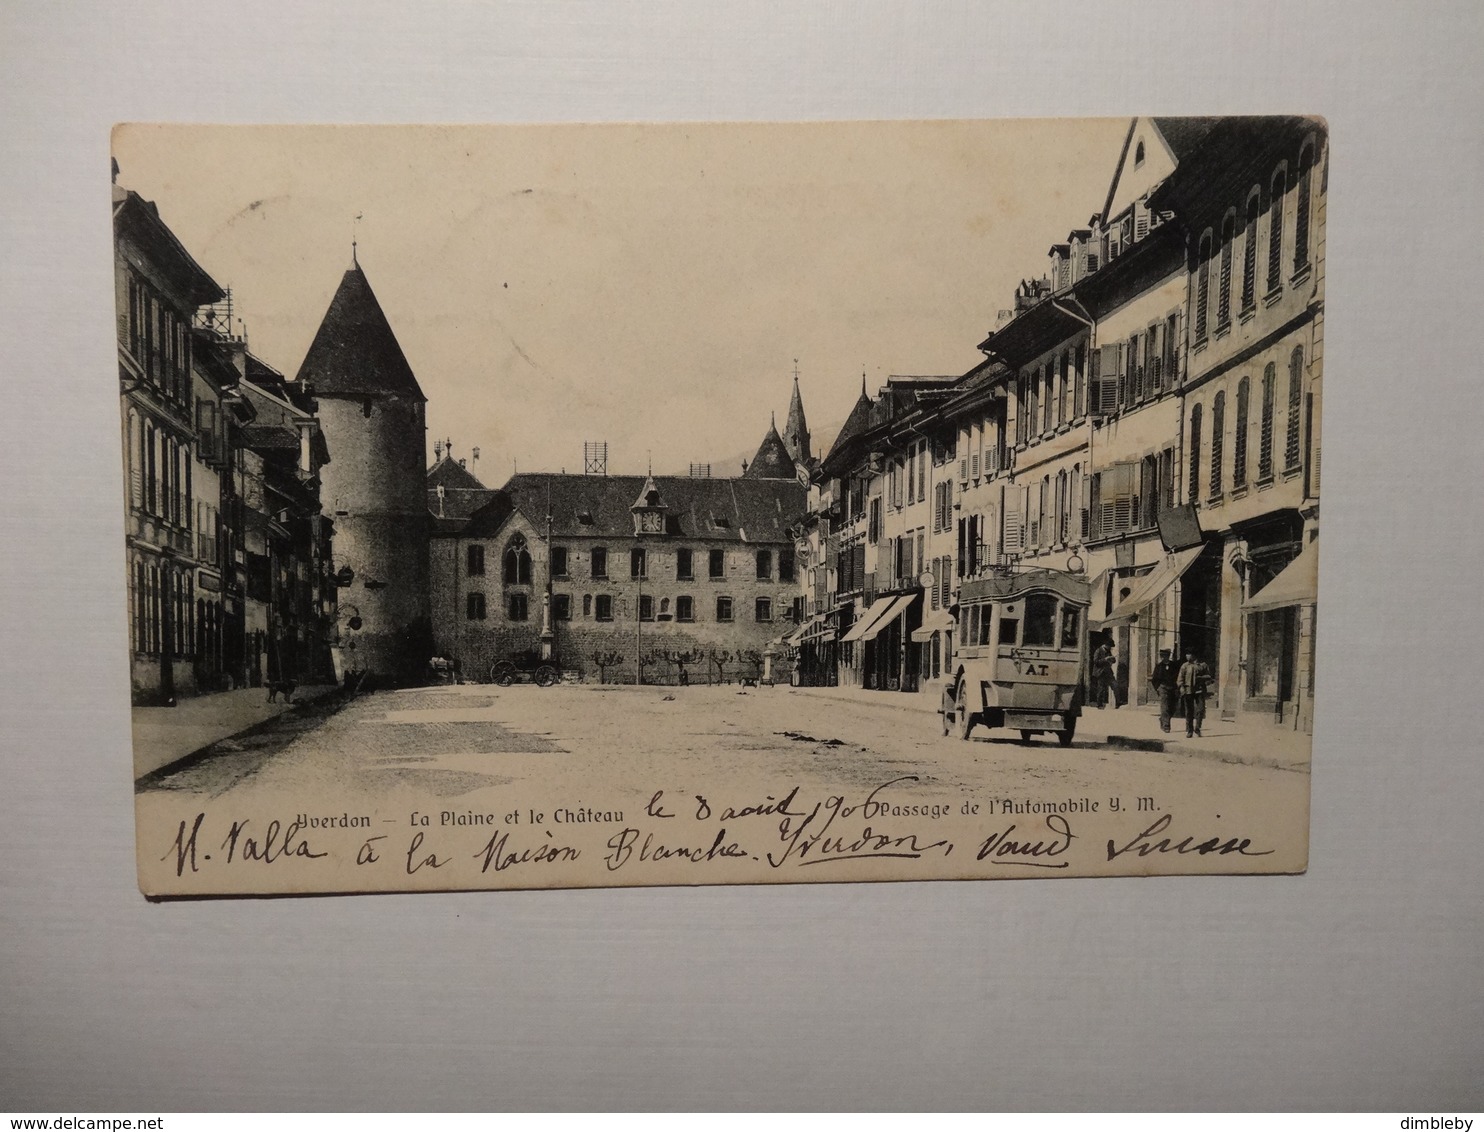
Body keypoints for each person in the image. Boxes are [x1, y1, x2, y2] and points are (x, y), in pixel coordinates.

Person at [1177, 650, 1213, 738]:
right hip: (1188, 690)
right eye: (1186, 654)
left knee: (1200, 709)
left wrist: (1201, 678)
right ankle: (1190, 730)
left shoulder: (1203, 665)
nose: (1187, 656)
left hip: (1199, 690)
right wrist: (1181, 687)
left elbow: (1209, 677)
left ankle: (1198, 728)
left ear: (1194, 655)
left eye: (1189, 654)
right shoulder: (1185, 666)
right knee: (1189, 711)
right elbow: (1180, 678)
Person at [1150, 648, 1179, 733]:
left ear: (1169, 656)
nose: (1163, 658)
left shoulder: (1174, 665)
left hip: (1173, 688)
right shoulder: (1159, 666)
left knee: (1173, 708)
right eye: (1162, 656)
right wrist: (1158, 688)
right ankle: (1166, 725)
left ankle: (1162, 719)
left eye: (1165, 656)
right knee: (1165, 707)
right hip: (1163, 688)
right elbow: (1154, 679)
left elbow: (1178, 676)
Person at [1091, 640, 1116, 709]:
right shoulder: (1098, 651)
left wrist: (1112, 659)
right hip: (1100, 672)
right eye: (1109, 646)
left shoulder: (1108, 651)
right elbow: (1096, 662)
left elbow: (1113, 661)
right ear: (1105, 645)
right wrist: (1105, 659)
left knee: (1115, 685)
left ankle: (1117, 703)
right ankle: (1099, 705)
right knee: (1101, 688)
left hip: (1108, 672)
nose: (1110, 648)